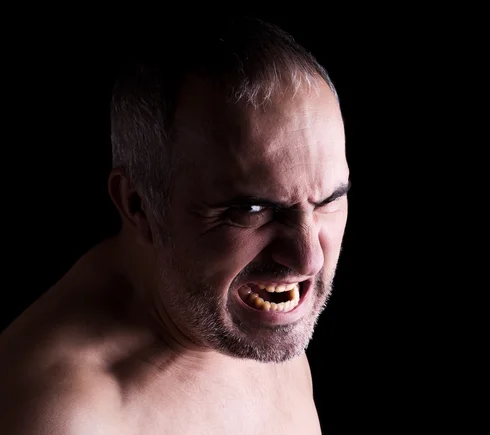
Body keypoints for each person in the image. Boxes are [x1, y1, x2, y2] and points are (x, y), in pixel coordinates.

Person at [0, 16, 350, 435]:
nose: (307, 257)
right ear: (138, 204)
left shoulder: (251, 310)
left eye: (329, 201)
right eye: (254, 211)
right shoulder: (57, 413)